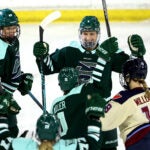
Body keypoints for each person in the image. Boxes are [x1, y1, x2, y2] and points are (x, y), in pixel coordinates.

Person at [33, 15, 146, 150]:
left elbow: (131, 69)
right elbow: (47, 68)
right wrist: (42, 56)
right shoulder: (70, 51)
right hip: (76, 111)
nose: (88, 38)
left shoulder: (108, 50)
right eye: (85, 34)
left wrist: (136, 54)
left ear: (98, 35)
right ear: (80, 34)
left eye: (92, 34)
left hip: (104, 111)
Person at [86, 58, 150, 150]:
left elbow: (103, 122)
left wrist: (94, 114)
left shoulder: (124, 98)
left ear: (128, 77)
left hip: (140, 144)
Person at [50, 67, 104, 150]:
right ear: (76, 80)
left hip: (64, 145)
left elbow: (52, 130)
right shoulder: (83, 91)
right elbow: (97, 83)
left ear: (60, 84)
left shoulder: (55, 104)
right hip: (81, 144)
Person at [0, 8, 33, 137]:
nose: (11, 31)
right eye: (7, 28)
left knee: (13, 130)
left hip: (6, 95)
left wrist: (19, 79)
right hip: (2, 96)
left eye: (13, 27)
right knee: (5, 134)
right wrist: (3, 95)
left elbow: (9, 68)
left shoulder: (14, 42)